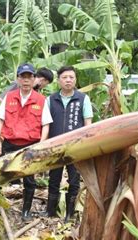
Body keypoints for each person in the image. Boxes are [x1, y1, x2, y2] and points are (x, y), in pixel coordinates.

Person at [0, 63, 53, 221]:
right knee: (0, 173)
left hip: (31, 144)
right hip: (9, 143)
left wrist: (41, 144)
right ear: (18, 79)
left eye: (29, 77)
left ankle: (26, 211)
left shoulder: (41, 100)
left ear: (34, 79)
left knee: (29, 179)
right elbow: (0, 120)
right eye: (23, 77)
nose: (26, 80)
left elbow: (45, 124)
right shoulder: (9, 97)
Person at [44, 66, 93, 222]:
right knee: (54, 178)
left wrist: (87, 145)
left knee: (74, 179)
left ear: (75, 80)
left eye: (71, 77)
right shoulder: (50, 100)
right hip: (55, 146)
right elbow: (45, 123)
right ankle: (50, 211)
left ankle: (70, 214)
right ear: (59, 80)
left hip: (76, 147)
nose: (68, 80)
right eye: (65, 77)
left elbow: (88, 124)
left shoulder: (83, 99)